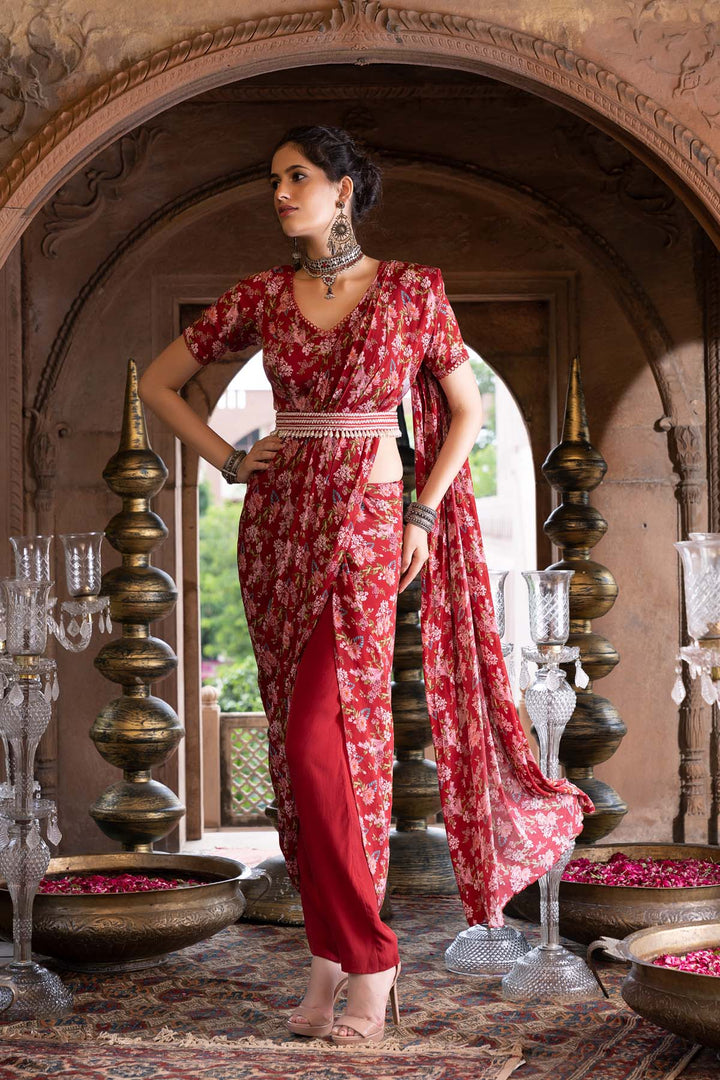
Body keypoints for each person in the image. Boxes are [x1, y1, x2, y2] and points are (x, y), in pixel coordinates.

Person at [139, 124, 593, 1045]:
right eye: (274, 179)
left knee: (327, 743)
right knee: (303, 761)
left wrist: (424, 513)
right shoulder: (263, 295)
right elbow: (160, 383)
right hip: (275, 533)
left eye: (298, 177)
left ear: (345, 190)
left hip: (368, 530)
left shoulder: (413, 290)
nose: (280, 193)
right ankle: (327, 960)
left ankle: (373, 959)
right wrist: (230, 458)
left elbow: (465, 411)